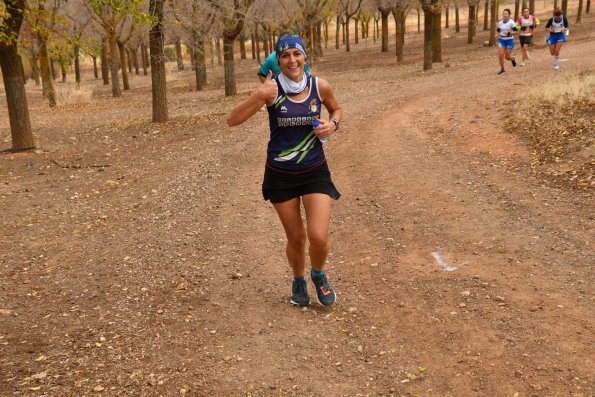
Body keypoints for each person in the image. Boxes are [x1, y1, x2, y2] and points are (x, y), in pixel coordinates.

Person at [228, 34, 342, 307]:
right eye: (285, 55)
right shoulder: (271, 89)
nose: (292, 59)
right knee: (296, 237)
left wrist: (332, 125)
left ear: (305, 56)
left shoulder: (319, 86)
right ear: (278, 60)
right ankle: (298, 280)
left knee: (318, 236)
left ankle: (318, 274)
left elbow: (336, 109)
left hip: (315, 170)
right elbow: (232, 120)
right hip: (280, 175)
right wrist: (258, 95)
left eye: (296, 53)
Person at [496, 8, 518, 75]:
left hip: (509, 40)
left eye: (506, 13)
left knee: (507, 57)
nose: (504, 15)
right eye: (504, 13)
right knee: (500, 55)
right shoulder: (500, 23)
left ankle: (512, 59)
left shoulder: (511, 22)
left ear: (509, 15)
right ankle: (502, 69)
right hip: (502, 40)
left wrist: (510, 33)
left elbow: (516, 31)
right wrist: (498, 36)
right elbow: (498, 31)